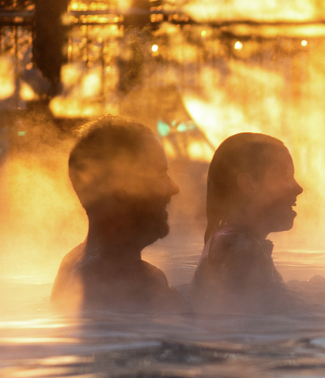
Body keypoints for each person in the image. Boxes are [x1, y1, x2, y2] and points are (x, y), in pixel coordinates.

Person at [52, 117, 184, 313]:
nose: (174, 187)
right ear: (121, 186)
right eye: (160, 173)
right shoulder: (134, 281)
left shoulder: (73, 262)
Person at [191, 132, 304, 314]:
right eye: (285, 176)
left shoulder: (235, 243)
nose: (298, 188)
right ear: (249, 185)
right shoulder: (240, 250)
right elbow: (257, 324)